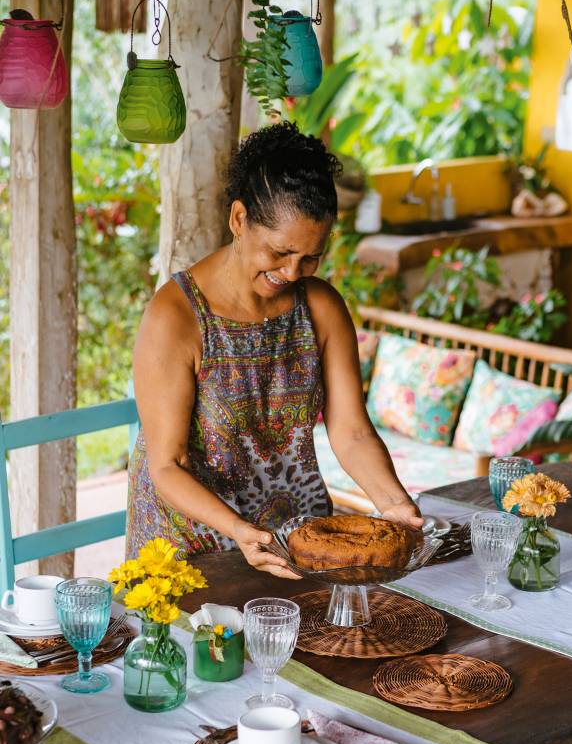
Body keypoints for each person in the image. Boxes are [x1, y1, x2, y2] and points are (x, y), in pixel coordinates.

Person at [127, 122, 421, 579]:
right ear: (239, 219)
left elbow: (352, 433)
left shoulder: (320, 307)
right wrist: (240, 530)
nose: (292, 271)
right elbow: (167, 465)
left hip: (299, 543)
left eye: (310, 257)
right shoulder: (176, 316)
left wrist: (394, 503)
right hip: (195, 550)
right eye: (280, 252)